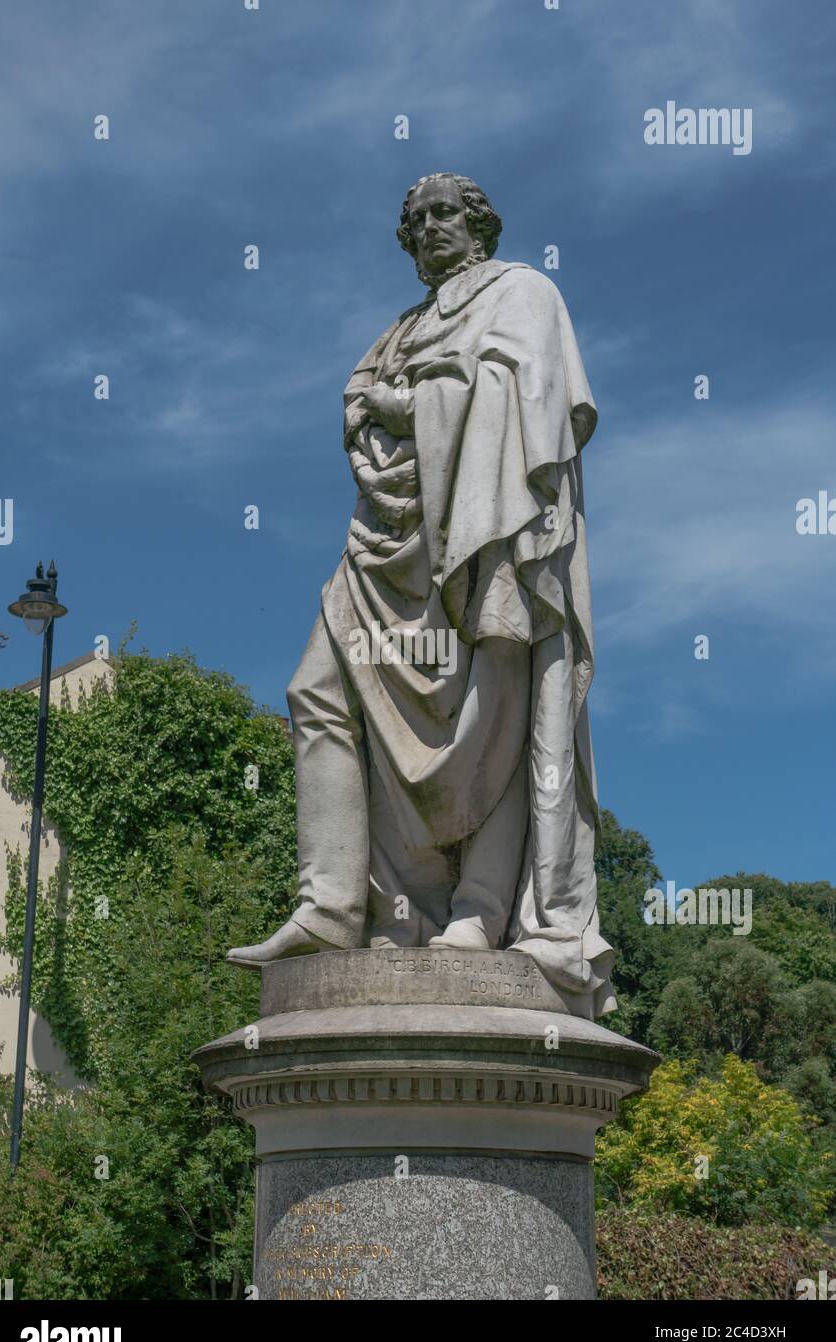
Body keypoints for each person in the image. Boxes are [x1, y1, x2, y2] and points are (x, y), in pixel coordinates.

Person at [228, 173, 615, 1021]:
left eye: (446, 214)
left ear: (480, 225)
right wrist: (381, 411)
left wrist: (411, 404)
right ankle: (331, 905)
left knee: (498, 721)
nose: (429, 229)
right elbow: (366, 417)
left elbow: (535, 408)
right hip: (384, 552)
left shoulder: (523, 292)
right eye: (415, 221)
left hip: (487, 531)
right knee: (316, 692)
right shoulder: (398, 330)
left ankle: (482, 907)